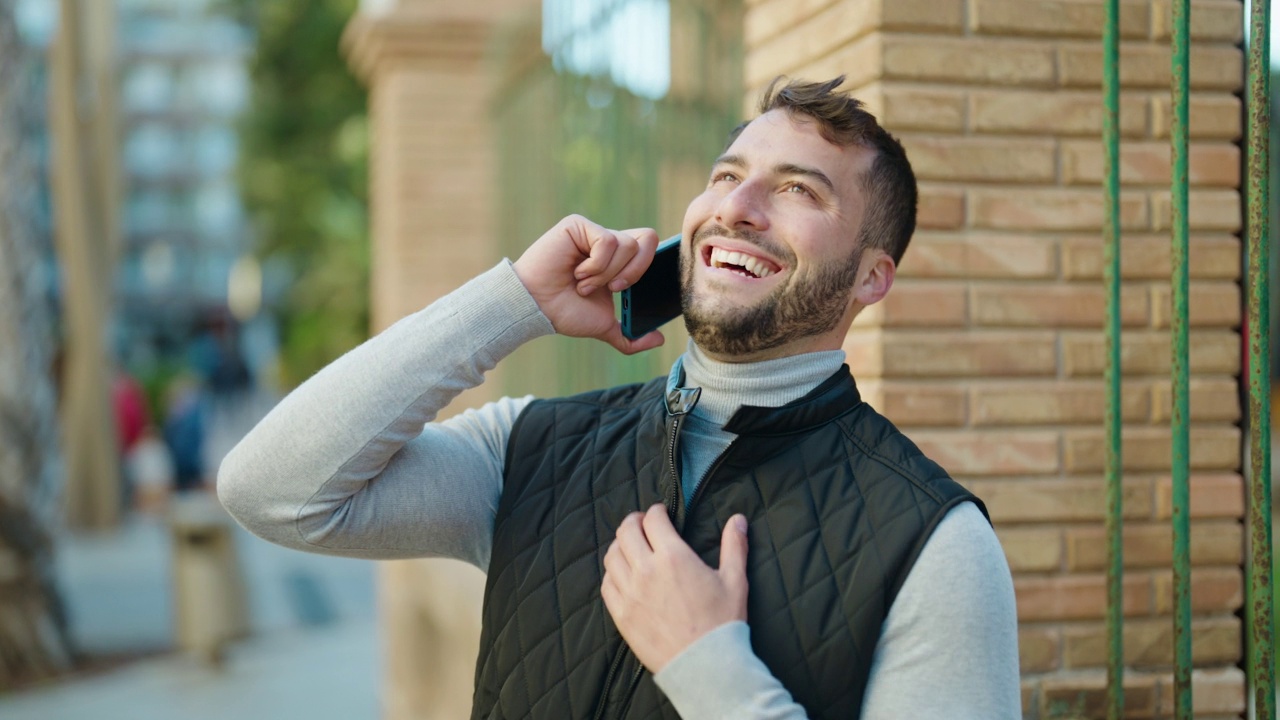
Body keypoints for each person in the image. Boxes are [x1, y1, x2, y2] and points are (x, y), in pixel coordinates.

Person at [218, 76, 1020, 719]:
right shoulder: (531, 447)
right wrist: (514, 303)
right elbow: (273, 492)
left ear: (873, 276)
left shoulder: (934, 543)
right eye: (727, 177)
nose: (736, 209)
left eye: (800, 192)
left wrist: (710, 673)